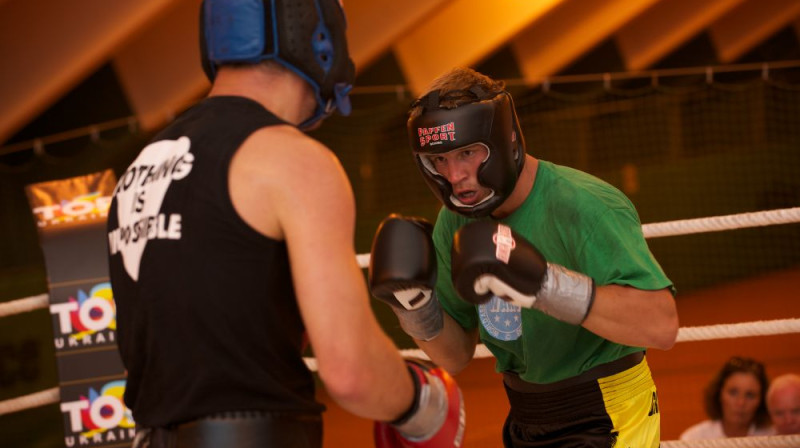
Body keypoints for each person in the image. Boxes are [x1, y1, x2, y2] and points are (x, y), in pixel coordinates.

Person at [105, 1, 464, 447]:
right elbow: (351, 372)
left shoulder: (140, 170)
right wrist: (423, 402)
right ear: (319, 38)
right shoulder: (291, 158)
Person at [368, 67, 679, 448]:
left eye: (467, 153)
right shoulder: (454, 221)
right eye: (440, 160)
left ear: (505, 139)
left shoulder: (584, 204)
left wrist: (543, 285)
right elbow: (455, 356)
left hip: (608, 410)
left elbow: (661, 326)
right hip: (526, 415)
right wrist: (415, 306)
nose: (455, 175)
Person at [680, 356, 772, 440]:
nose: (741, 402)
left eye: (750, 395)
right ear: (719, 393)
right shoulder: (694, 438)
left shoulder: (772, 437)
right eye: (733, 392)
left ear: (762, 400)